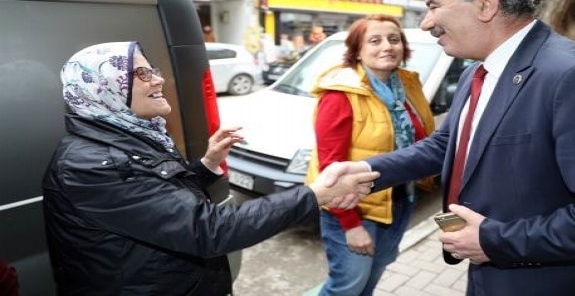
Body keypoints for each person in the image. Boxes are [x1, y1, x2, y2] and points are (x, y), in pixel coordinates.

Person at [317, 0, 575, 296]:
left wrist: (495, 240)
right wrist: (365, 170)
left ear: (485, 4)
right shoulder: (475, 73)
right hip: (487, 273)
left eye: (434, 6)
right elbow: (447, 143)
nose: (425, 23)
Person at [42, 41, 378, 295]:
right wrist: (315, 194)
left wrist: (205, 165)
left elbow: (160, 202)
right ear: (103, 86)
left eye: (153, 69)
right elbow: (208, 230)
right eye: (141, 73)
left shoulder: (129, 135)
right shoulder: (92, 164)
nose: (157, 79)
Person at [305, 15, 435, 295]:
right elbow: (330, 170)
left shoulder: (407, 86)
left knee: (370, 281)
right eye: (374, 41)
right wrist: (351, 225)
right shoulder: (340, 94)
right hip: (355, 209)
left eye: (394, 39)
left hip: (399, 202)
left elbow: (422, 141)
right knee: (346, 287)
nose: (386, 46)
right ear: (357, 50)